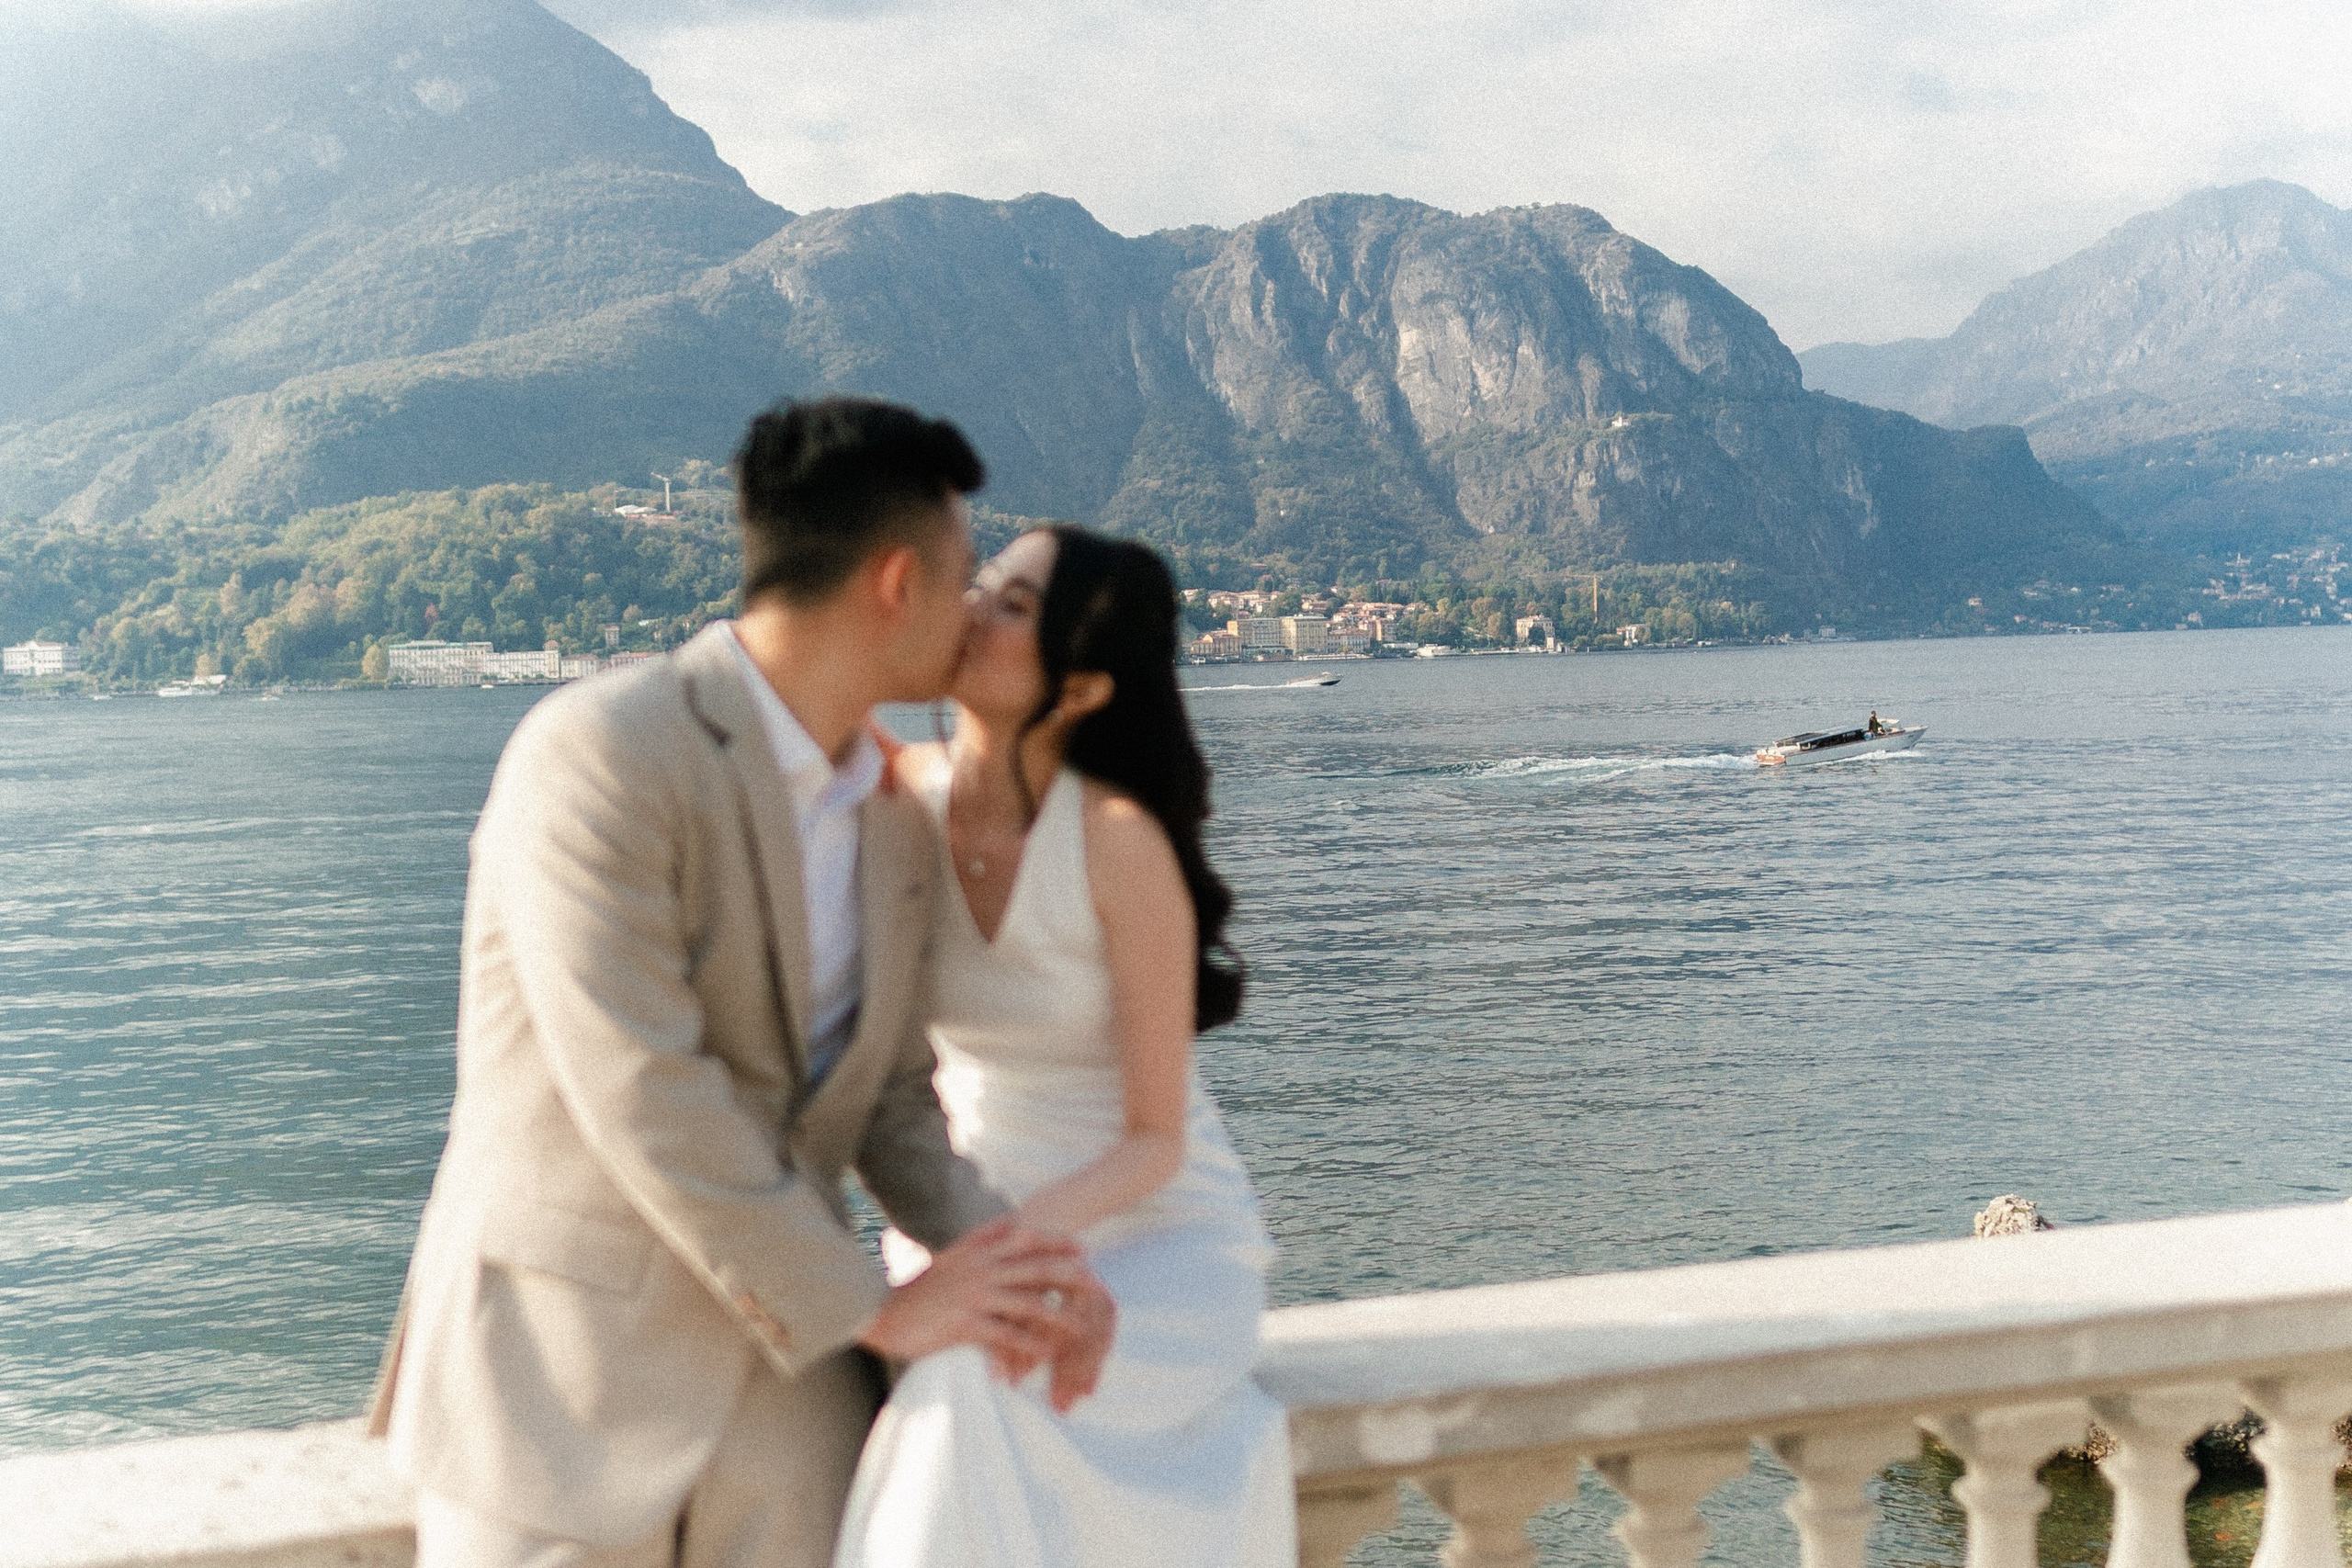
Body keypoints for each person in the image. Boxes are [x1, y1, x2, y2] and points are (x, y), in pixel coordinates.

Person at [367, 398, 1115, 1568]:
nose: (976, 609)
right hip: (561, 1399)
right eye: (966, 573)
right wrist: (875, 1308)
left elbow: (891, 1100)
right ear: (894, 582)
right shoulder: (599, 751)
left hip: (789, 1419)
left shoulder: (892, 826)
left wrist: (1027, 1276)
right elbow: (639, 1080)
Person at [831, 527, 1293, 1568]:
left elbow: (1153, 1141)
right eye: (980, 588)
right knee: (965, 1368)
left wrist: (1001, 1256)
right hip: (966, 1220)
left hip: (1151, 1239)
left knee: (970, 1370)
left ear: (1081, 689)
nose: (973, 612)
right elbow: (801, 669)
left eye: (1012, 606)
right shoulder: (900, 795)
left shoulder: (1118, 840)